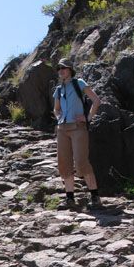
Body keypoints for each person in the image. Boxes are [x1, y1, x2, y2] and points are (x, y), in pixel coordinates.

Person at [53, 58, 102, 209]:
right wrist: (58, 117)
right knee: (64, 164)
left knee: (81, 162)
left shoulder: (79, 83)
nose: (61, 71)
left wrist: (87, 117)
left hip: (78, 127)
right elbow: (56, 109)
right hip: (62, 129)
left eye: (64, 68)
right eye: (59, 68)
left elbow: (96, 100)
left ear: (70, 70)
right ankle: (70, 199)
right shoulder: (58, 89)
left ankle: (95, 196)